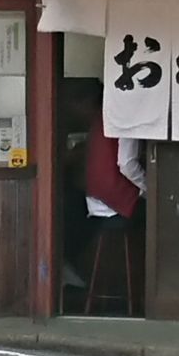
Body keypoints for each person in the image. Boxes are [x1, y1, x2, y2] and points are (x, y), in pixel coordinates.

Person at [63, 84, 146, 288]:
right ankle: (150, 288)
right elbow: (127, 164)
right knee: (163, 215)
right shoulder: (123, 119)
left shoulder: (99, 121)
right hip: (113, 204)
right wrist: (150, 187)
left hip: (97, 199)